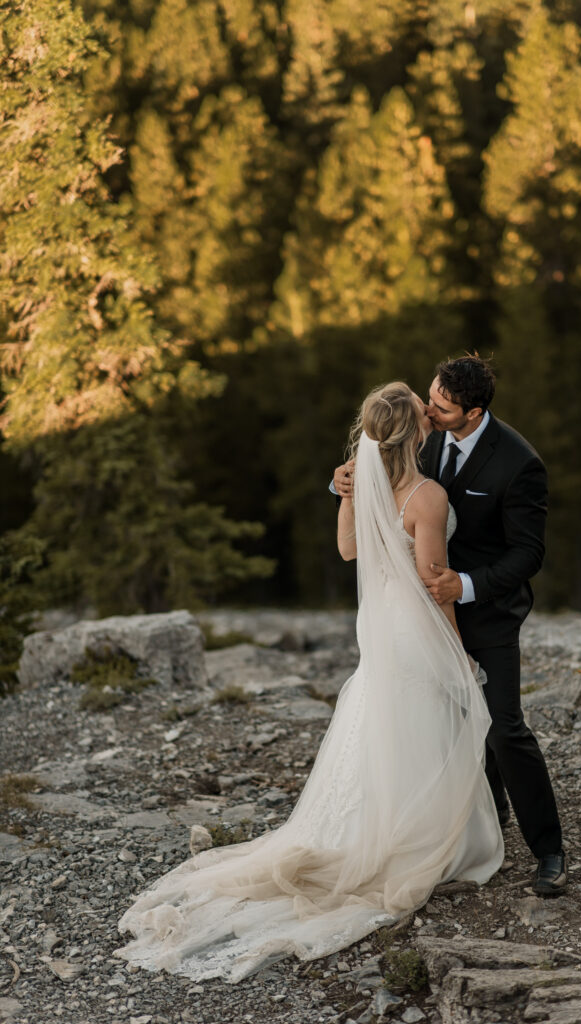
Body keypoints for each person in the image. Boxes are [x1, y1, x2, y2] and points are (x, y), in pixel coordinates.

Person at [115, 382, 503, 983]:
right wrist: (459, 656)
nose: (431, 413)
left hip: (378, 628)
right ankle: (423, 841)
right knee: (424, 722)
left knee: (383, 721)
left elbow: (348, 549)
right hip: (414, 626)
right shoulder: (426, 496)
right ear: (416, 431)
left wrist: (344, 489)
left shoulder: (362, 480)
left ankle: (373, 829)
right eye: (422, 411)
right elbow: (435, 582)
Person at [335, 356, 566, 895]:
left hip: (484, 610)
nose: (430, 411)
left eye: (441, 406)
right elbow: (385, 488)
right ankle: (485, 824)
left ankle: (549, 849)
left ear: (474, 411)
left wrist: (462, 586)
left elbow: (529, 553)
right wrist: (341, 484)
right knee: (455, 726)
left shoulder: (518, 462)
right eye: (430, 399)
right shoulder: (423, 436)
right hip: (419, 615)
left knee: (504, 727)